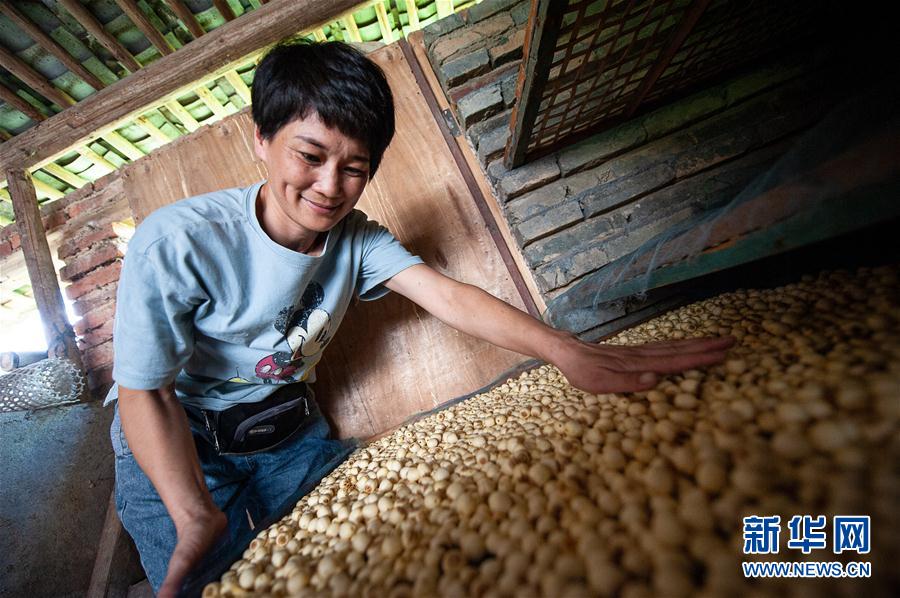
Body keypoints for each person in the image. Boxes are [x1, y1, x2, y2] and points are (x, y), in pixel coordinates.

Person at [106, 39, 733, 596]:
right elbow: (145, 392)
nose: (330, 185)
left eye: (355, 168)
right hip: (175, 434)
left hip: (283, 428)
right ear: (262, 139)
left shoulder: (357, 240)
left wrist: (565, 350)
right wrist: (192, 510)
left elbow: (449, 296)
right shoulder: (179, 242)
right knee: (196, 579)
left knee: (348, 559)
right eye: (310, 156)